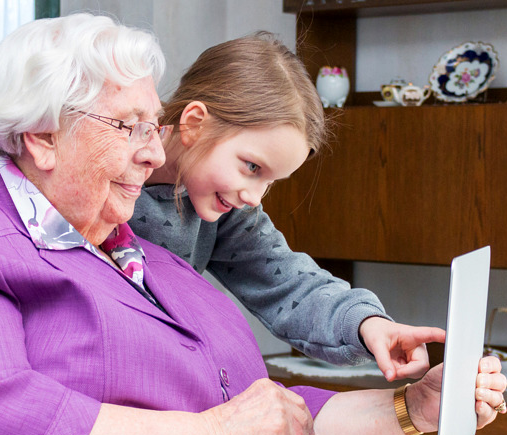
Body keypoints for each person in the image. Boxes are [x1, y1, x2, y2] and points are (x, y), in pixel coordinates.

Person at [0, 13, 507, 435]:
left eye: (153, 126)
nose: (152, 154)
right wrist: (225, 434)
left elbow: (266, 412)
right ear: (42, 136)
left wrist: (412, 410)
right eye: (130, 126)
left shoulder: (141, 255)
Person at [133, 33, 442, 382]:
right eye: (252, 167)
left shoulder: (228, 205)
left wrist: (367, 324)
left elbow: (289, 282)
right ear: (194, 124)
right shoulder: (104, 178)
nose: (254, 196)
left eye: (270, 182)